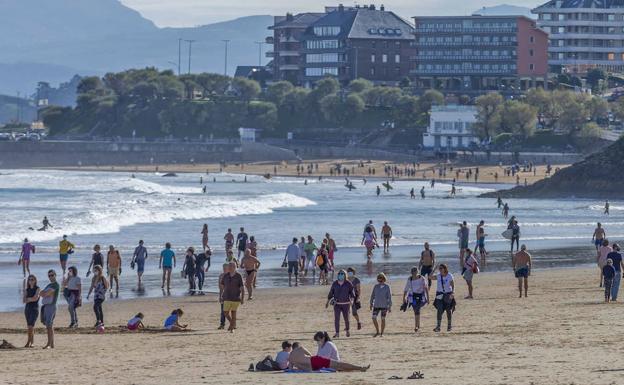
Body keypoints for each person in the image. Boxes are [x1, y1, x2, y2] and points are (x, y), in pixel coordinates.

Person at [288, 342, 369, 372]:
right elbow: (311, 355)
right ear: (298, 346)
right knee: (338, 364)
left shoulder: (290, 357)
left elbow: (291, 369)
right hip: (315, 361)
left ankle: (356, 369)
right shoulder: (301, 348)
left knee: (337, 367)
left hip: (311, 368)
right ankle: (360, 367)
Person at [326, 269, 354, 338]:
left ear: (345, 275)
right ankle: (337, 333)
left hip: (346, 304)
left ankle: (347, 330)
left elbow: (352, 294)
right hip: (337, 304)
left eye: (342, 274)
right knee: (337, 319)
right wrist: (327, 302)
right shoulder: (335, 283)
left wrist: (352, 301)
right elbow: (331, 293)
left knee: (346, 319)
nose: (340, 275)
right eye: (339, 274)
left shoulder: (348, 283)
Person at [220, 261, 244, 332]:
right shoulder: (225, 275)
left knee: (233, 313)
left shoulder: (238, 276)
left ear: (235, 267)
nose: (229, 268)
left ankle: (232, 328)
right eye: (229, 266)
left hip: (235, 297)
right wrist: (220, 295)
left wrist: (242, 298)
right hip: (226, 297)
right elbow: (222, 287)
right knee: (225, 312)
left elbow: (242, 288)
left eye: (231, 266)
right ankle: (232, 324)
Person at [403, 267, 428, 333]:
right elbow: (406, 289)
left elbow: (426, 288)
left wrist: (428, 298)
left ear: (417, 272)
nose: (414, 273)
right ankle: (417, 326)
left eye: (415, 272)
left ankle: (416, 326)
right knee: (415, 310)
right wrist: (404, 298)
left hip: (420, 297)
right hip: (413, 297)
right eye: (413, 272)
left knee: (418, 309)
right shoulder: (410, 279)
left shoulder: (422, 278)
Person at [40, 269, 60, 349]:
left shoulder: (56, 285)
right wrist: (45, 293)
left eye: (52, 275)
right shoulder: (49, 285)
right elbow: (41, 294)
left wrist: (45, 293)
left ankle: (49, 343)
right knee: (49, 325)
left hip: (51, 306)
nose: (51, 277)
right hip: (46, 306)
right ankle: (51, 344)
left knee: (49, 325)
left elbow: (45, 293)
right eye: (49, 276)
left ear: (55, 275)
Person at [433, 264, 455, 332]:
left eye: (441, 268)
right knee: (439, 310)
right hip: (439, 294)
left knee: (448, 310)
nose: (440, 270)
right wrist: (434, 269)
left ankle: (449, 326)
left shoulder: (449, 275)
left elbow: (453, 285)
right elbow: (430, 277)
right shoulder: (438, 276)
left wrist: (453, 293)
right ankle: (438, 327)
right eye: (439, 268)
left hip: (448, 294)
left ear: (445, 269)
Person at [369, 273, 392, 337]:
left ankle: (382, 333)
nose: (380, 279)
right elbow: (372, 295)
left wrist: (390, 306)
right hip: (376, 305)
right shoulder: (376, 286)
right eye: (378, 278)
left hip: (384, 306)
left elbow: (389, 297)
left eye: (381, 278)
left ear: (384, 279)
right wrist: (371, 303)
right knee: (373, 318)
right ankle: (377, 331)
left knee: (383, 319)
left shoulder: (387, 287)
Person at [23, 274, 40, 348]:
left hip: (34, 309)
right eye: (29, 280)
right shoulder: (27, 289)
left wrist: (28, 299)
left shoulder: (38, 288)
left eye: (32, 279)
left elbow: (35, 298)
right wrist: (30, 299)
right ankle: (30, 342)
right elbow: (24, 300)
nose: (31, 281)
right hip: (27, 309)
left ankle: (30, 342)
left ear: (35, 280)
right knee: (29, 327)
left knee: (31, 326)